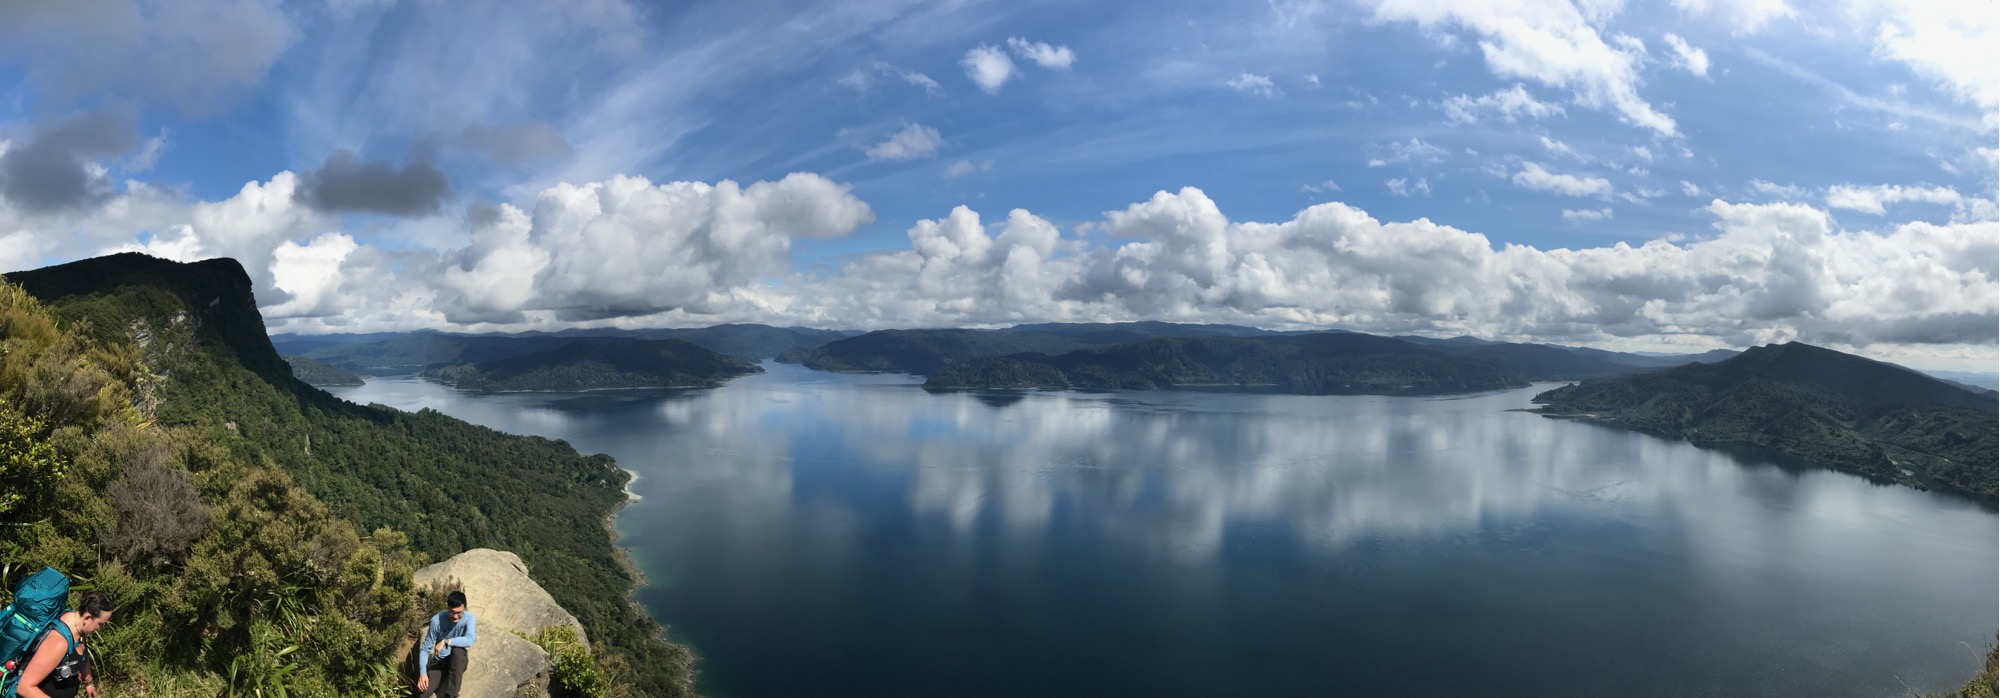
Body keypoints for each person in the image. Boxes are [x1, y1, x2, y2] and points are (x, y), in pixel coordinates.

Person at [14, 591, 112, 698]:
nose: (100, 629)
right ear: (88, 618)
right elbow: (24, 688)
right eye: (100, 624)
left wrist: (89, 682)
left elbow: (82, 654)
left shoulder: (78, 625)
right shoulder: (58, 642)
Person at [416, 590, 476, 698]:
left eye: (459, 613)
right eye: (452, 612)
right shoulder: (437, 620)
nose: (456, 616)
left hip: (457, 659)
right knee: (423, 694)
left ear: (464, 608)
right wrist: (423, 673)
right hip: (439, 662)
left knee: (458, 651)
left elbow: (470, 640)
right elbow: (425, 649)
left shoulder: (469, 618)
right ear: (447, 607)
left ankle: (451, 695)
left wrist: (446, 642)